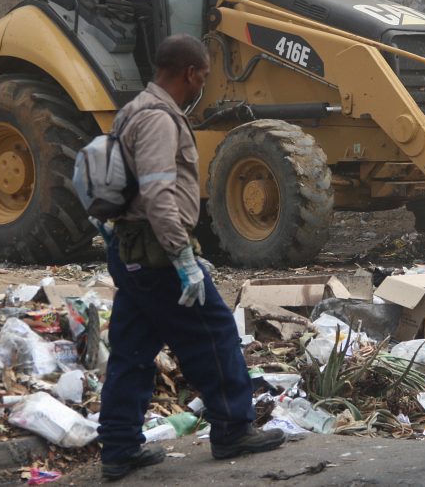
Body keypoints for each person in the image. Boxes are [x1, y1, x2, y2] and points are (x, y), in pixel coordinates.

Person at [96, 35, 285, 481]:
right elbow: (160, 194)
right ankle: (233, 429)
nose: (205, 81)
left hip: (130, 250)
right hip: (158, 254)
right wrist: (183, 258)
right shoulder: (161, 120)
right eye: (204, 73)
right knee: (215, 335)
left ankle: (119, 447)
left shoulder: (131, 111)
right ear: (190, 73)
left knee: (132, 350)